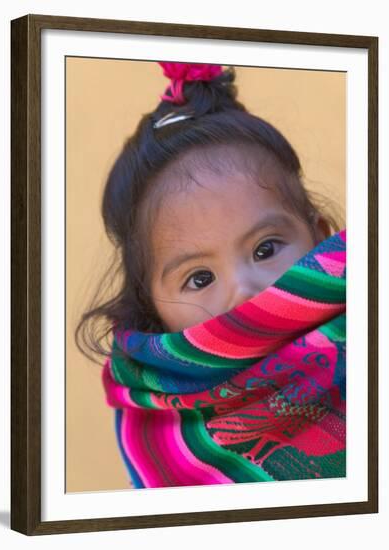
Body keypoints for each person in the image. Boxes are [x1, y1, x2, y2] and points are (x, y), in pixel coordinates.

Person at [75, 62, 346, 489]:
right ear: (154, 310)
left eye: (265, 249)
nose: (244, 291)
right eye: (200, 279)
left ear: (321, 237)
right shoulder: (165, 431)